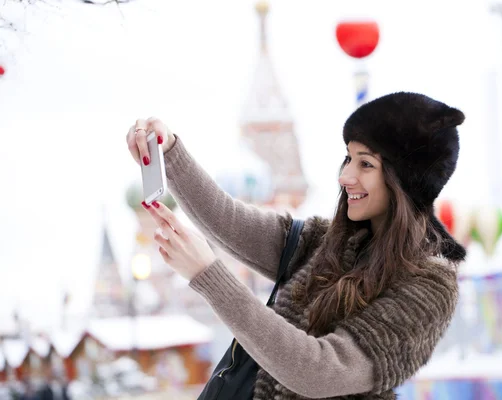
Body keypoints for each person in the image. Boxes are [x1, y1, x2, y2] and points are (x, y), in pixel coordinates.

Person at [126, 91, 467, 399]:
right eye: (348, 158)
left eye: (366, 164)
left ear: (406, 180)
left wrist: (209, 276)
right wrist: (169, 152)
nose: (346, 176)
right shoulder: (322, 241)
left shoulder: (429, 286)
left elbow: (321, 370)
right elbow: (227, 219)